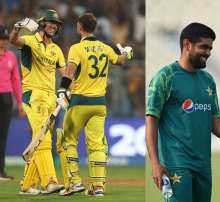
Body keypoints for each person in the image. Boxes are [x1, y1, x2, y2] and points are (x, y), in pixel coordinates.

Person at [146, 22, 220, 202]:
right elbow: (151, 121)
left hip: (203, 165)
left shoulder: (208, 80)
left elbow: (215, 121)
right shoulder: (165, 77)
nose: (208, 52)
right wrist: (155, 164)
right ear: (187, 45)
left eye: (210, 48)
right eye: (203, 47)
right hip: (177, 164)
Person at [55, 12, 133, 197]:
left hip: (79, 101)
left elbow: (70, 71)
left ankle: (74, 182)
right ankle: (98, 187)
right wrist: (127, 53)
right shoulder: (105, 48)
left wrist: (61, 90)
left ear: (79, 27)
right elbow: (121, 61)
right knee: (97, 145)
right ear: (94, 28)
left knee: (68, 140)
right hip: (99, 104)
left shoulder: (76, 48)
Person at [9, 9, 65, 194]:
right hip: (33, 96)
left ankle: (27, 185)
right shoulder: (31, 41)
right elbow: (13, 41)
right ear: (42, 23)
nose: (54, 26)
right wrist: (17, 28)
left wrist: (65, 91)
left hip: (50, 99)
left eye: (56, 24)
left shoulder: (56, 50)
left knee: (38, 140)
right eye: (51, 23)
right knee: (44, 138)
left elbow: (65, 74)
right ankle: (49, 181)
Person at [0, 25, 25, 181]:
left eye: (4, 39)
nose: (3, 42)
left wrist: (21, 103)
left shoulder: (11, 57)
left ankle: (1, 171)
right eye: (1, 39)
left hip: (6, 99)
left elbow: (16, 81)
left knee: (3, 136)